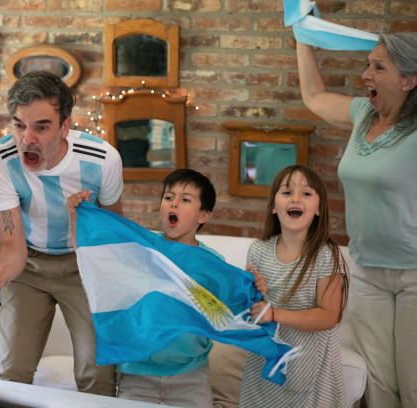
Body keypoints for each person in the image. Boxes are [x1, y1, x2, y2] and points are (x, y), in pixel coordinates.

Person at [0, 71, 123, 395]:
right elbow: (12, 245)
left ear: (65, 125)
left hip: (84, 266)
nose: (28, 138)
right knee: (11, 374)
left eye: (41, 126)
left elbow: (113, 237)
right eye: (19, 125)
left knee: (97, 375)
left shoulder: (103, 159)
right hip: (27, 267)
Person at [296, 33, 417, 407]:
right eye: (368, 63)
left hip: (415, 274)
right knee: (378, 385)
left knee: (414, 386)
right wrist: (303, 39)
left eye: (379, 67)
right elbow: (315, 98)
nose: (366, 74)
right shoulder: (364, 113)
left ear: (409, 80)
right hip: (366, 270)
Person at [67, 168, 222, 408]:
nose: (175, 204)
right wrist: (76, 217)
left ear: (203, 215)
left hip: (191, 376)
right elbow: (93, 261)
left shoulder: (212, 262)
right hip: (136, 374)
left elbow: (228, 309)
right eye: (169, 197)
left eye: (186, 199)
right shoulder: (140, 249)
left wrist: (252, 287)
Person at [238, 165, 348, 407]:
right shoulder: (258, 250)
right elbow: (251, 313)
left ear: (319, 209)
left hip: (312, 372)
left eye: (306, 193)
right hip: (264, 372)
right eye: (287, 192)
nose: (296, 198)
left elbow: (328, 316)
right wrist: (253, 291)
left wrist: (274, 313)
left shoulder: (326, 255)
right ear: (273, 206)